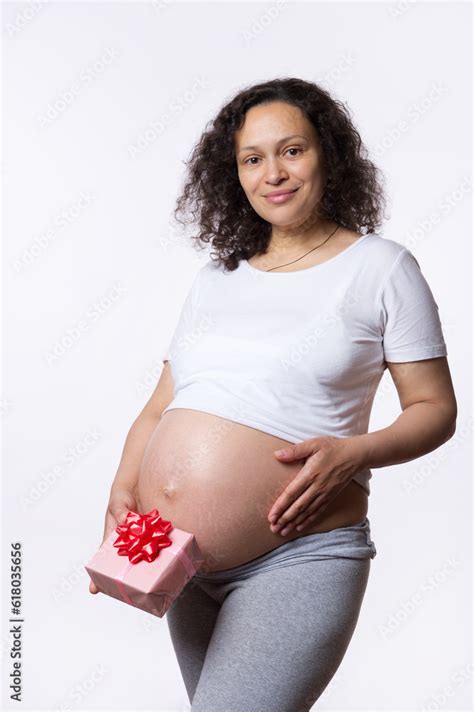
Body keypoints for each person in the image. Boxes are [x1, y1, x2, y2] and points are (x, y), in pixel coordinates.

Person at [89, 78, 457, 711]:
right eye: (252, 159)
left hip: (298, 557)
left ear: (328, 156)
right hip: (184, 559)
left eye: (292, 150)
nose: (273, 173)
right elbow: (161, 405)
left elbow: (435, 408)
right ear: (233, 175)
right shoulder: (217, 279)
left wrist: (354, 453)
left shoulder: (382, 268)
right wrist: (125, 489)